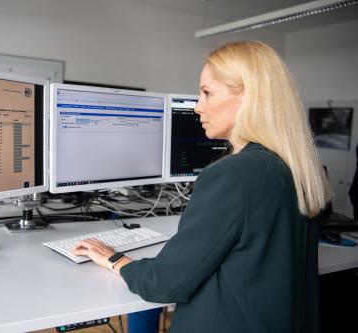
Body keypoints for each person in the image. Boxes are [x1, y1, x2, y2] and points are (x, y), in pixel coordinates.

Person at [73, 41, 332, 332]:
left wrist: (114, 258)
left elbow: (164, 284)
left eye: (207, 92)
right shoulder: (303, 170)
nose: (197, 107)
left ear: (249, 96)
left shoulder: (234, 175)